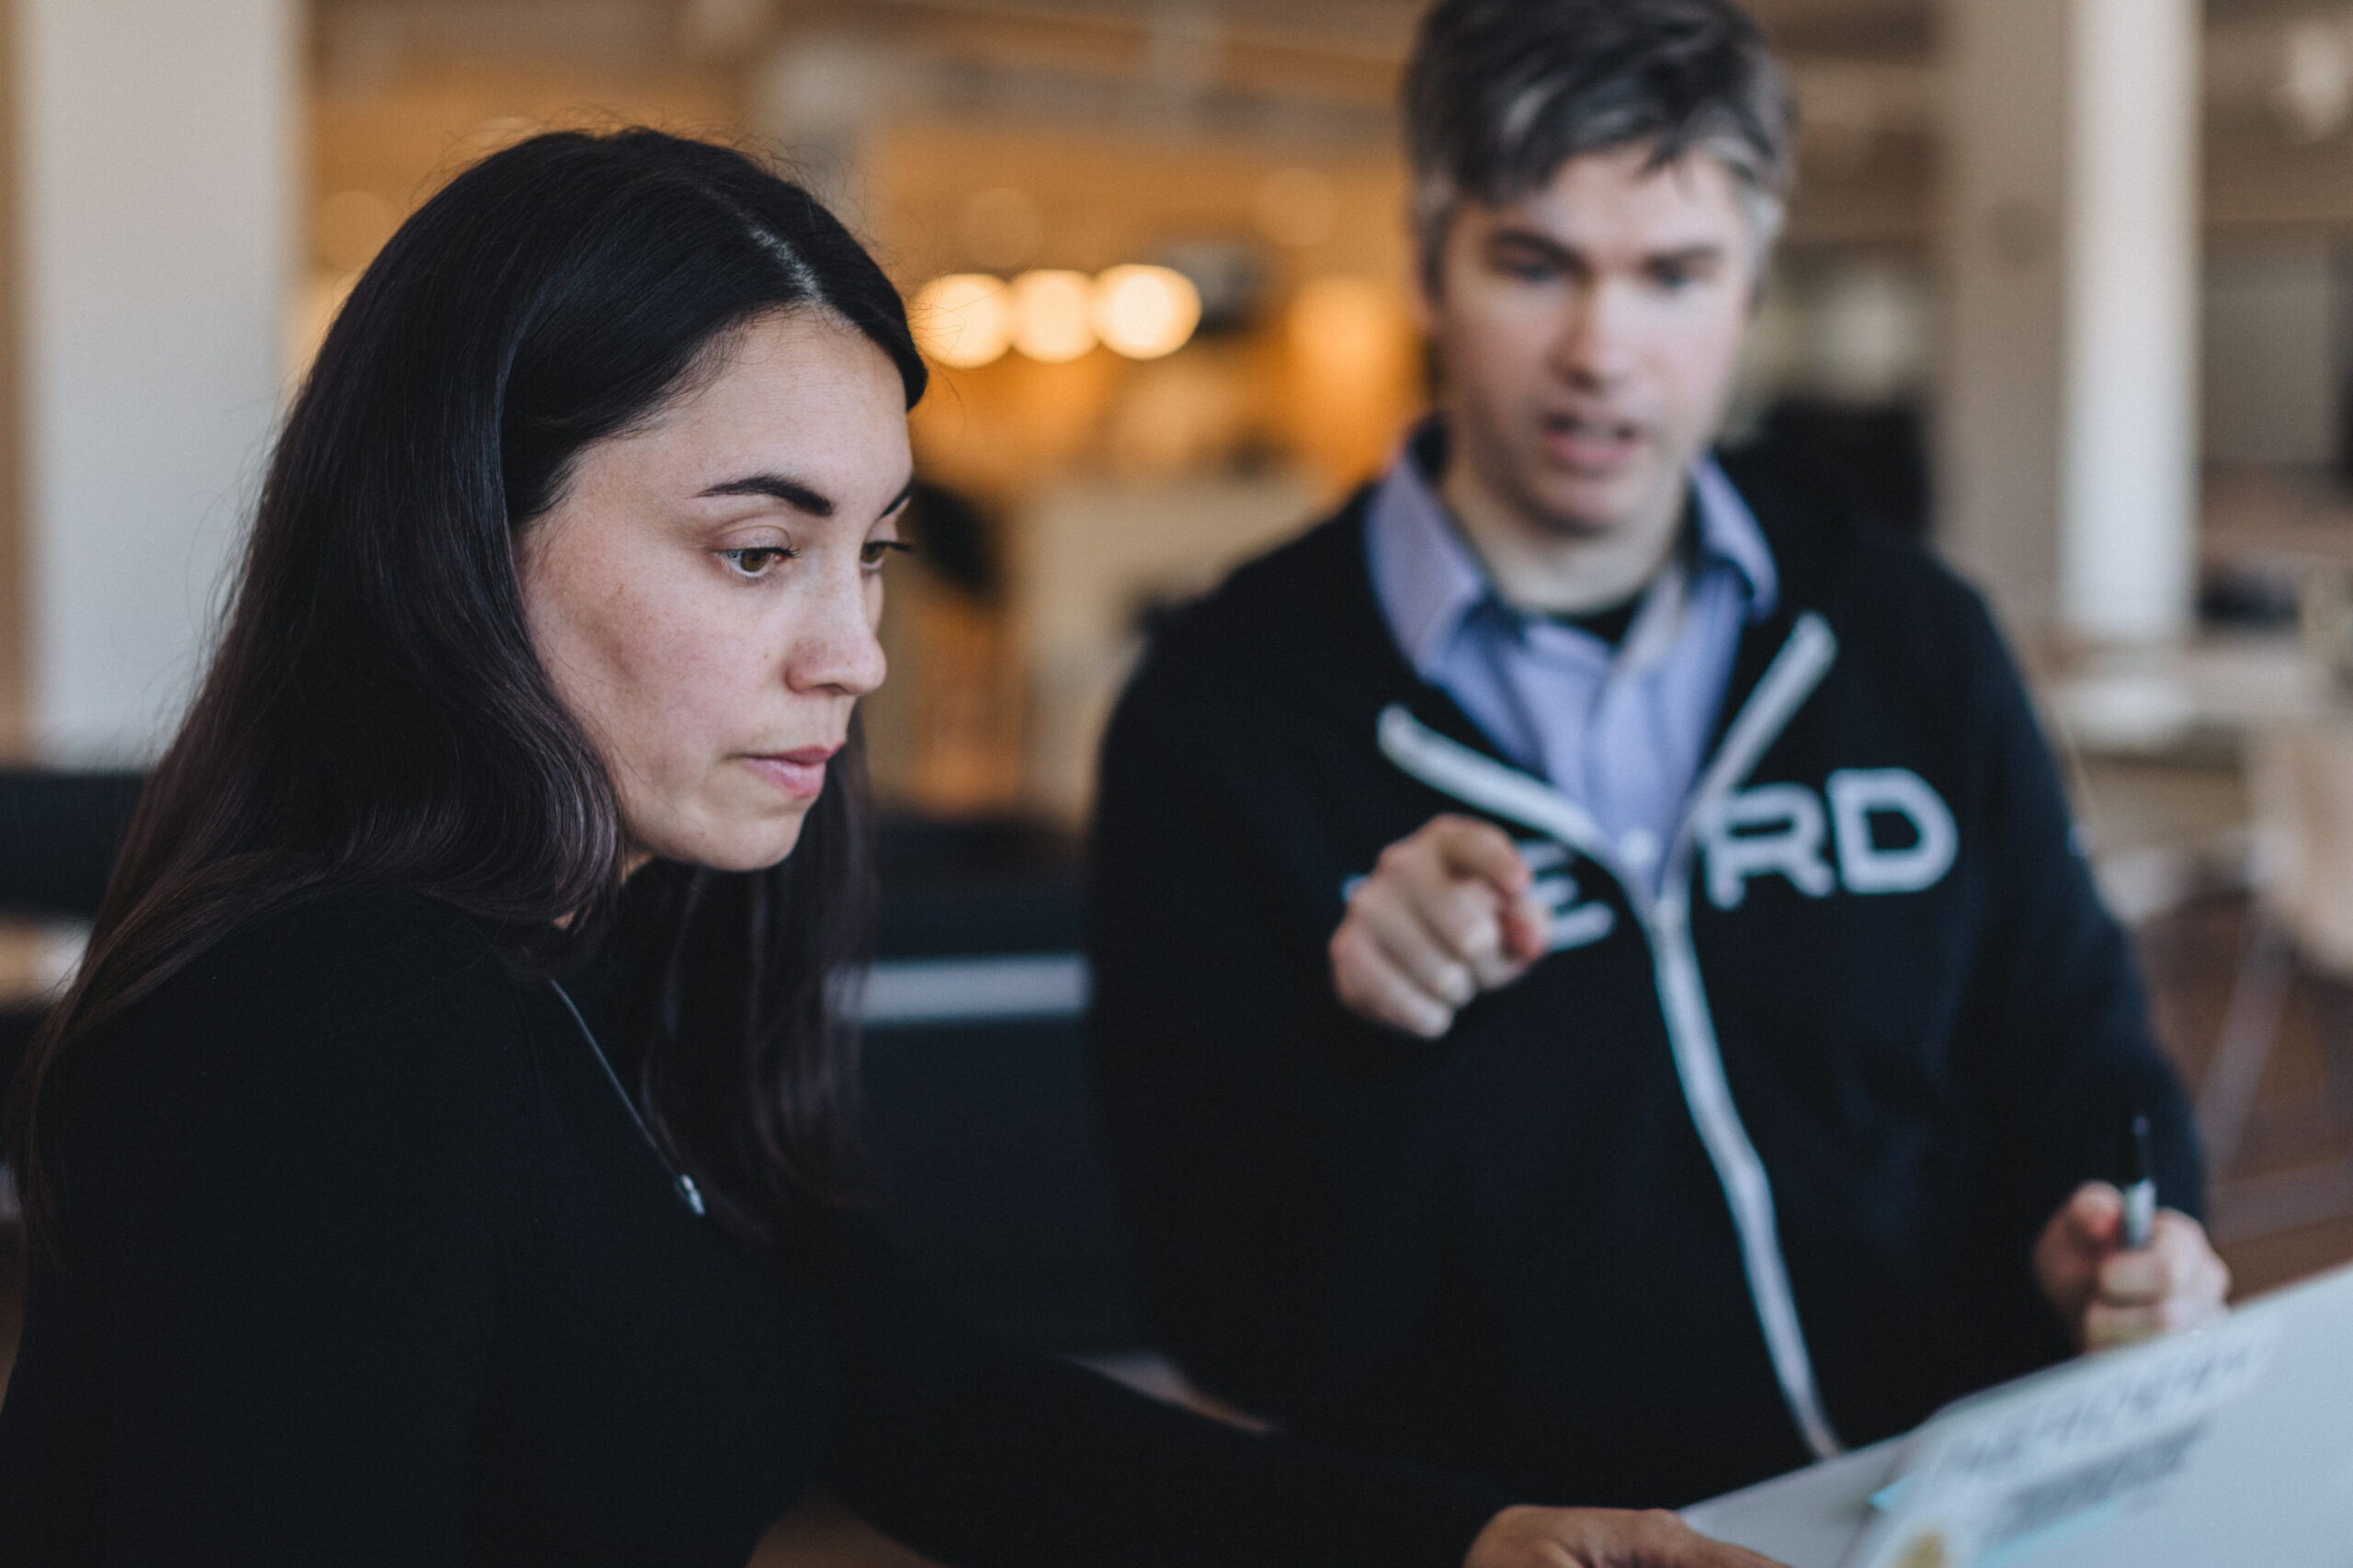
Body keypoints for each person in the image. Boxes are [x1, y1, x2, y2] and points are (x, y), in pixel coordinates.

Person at [0, 130, 1776, 1568]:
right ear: (462, 540)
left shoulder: (626, 940)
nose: (852, 649)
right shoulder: (332, 1024)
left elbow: (928, 1401)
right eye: (760, 552)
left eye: (874, 553)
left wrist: (1473, 1541)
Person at [1086, 0, 2234, 1512]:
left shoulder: (1906, 634)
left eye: (1674, 274)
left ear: (1752, 284)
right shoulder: (1226, 710)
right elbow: (1238, 1328)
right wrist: (1366, 1036)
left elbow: (2082, 1063)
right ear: (1430, 263)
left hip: (1948, 1509)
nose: (1601, 351)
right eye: (1534, 263)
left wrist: (2103, 1246)